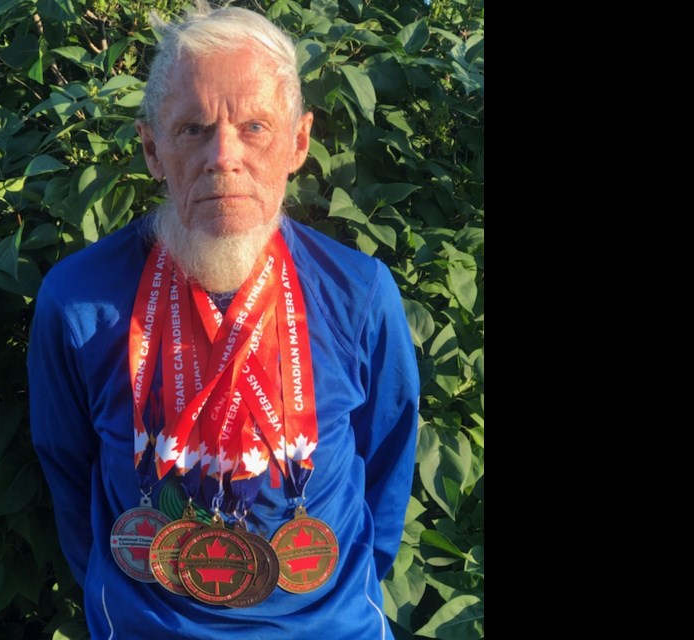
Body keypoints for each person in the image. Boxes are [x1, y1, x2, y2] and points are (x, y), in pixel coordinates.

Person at [29, 2, 419, 637]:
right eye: (192, 130)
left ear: (298, 143)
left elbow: (389, 463)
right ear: (152, 149)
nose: (223, 157)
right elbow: (68, 476)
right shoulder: (77, 302)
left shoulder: (361, 294)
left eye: (256, 126)